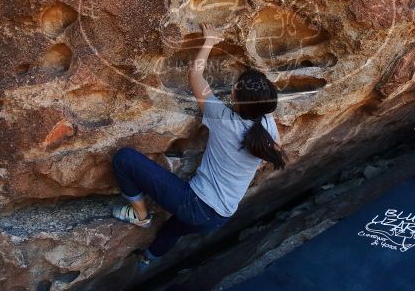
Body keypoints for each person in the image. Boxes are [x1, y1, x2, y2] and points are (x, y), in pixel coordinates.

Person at [111, 22, 285, 264]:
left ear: (235, 97)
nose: (233, 87)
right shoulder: (267, 123)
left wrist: (209, 42)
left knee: (124, 159)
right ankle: (147, 260)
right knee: (173, 230)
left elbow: (195, 75)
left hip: (194, 204)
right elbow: (273, 148)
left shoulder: (223, 118)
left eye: (236, 87)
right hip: (220, 217)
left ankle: (140, 215)